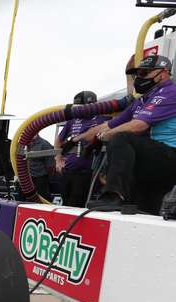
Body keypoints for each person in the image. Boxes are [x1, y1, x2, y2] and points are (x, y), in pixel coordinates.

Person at [75, 55, 176, 213]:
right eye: (138, 74)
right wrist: (75, 140)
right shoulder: (142, 101)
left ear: (163, 74)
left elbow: (137, 126)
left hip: (170, 156)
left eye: (144, 73)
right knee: (143, 211)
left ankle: (114, 195)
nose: (139, 78)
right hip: (153, 162)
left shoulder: (170, 92)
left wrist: (103, 137)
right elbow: (107, 125)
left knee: (122, 138)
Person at [54, 91, 111, 207]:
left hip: (86, 172)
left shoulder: (103, 118)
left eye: (82, 107)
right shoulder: (73, 120)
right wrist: (58, 159)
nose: (79, 110)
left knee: (75, 204)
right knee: (65, 204)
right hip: (67, 170)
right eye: (77, 108)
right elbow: (59, 140)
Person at [27, 134, 55, 200]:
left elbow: (50, 165)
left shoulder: (45, 144)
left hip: (40, 178)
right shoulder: (24, 144)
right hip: (26, 178)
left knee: (42, 198)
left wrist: (47, 177)